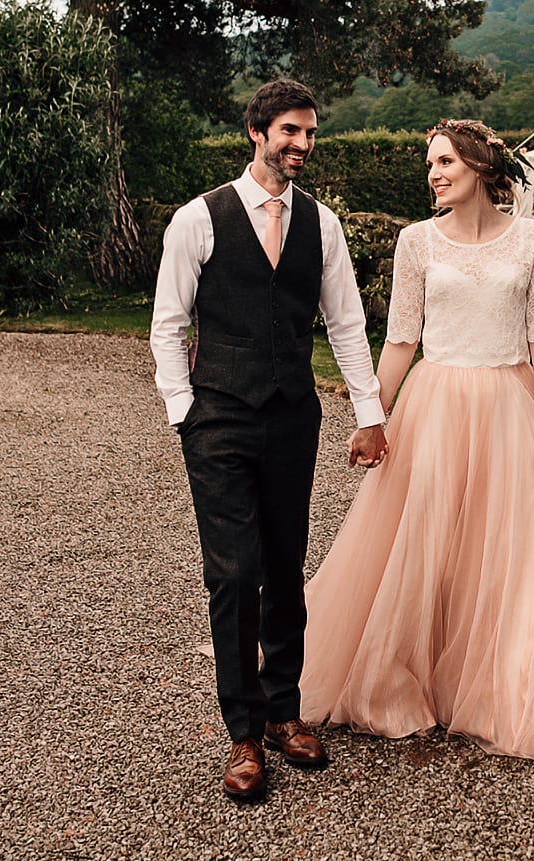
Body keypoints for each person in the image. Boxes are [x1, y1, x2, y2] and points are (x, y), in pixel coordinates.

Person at [298, 118, 534, 760]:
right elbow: (400, 337)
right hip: (434, 406)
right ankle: (403, 678)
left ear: (481, 168)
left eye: (446, 162)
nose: (433, 174)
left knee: (507, 549)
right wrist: (372, 414)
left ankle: (503, 690)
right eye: (430, 164)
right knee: (424, 545)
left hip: (510, 408)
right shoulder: (416, 243)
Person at [149, 78, 388, 803]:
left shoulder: (325, 225)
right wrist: (183, 411)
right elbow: (168, 323)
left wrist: (369, 410)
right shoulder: (199, 218)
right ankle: (243, 731)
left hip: (292, 415)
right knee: (233, 572)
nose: (303, 145)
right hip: (217, 417)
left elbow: (346, 323)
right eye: (290, 131)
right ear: (256, 132)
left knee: (285, 564)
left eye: (311, 133)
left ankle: (285, 710)